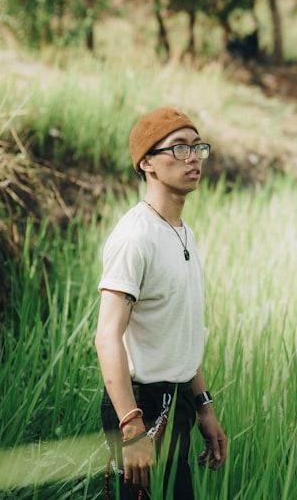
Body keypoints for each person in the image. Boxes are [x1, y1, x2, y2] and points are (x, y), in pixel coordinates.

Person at [95, 107, 227, 500]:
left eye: (197, 147)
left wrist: (204, 406)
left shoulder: (183, 232)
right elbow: (107, 337)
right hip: (140, 405)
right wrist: (132, 426)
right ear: (147, 162)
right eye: (180, 148)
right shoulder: (135, 237)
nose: (193, 158)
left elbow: (178, 330)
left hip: (178, 398)